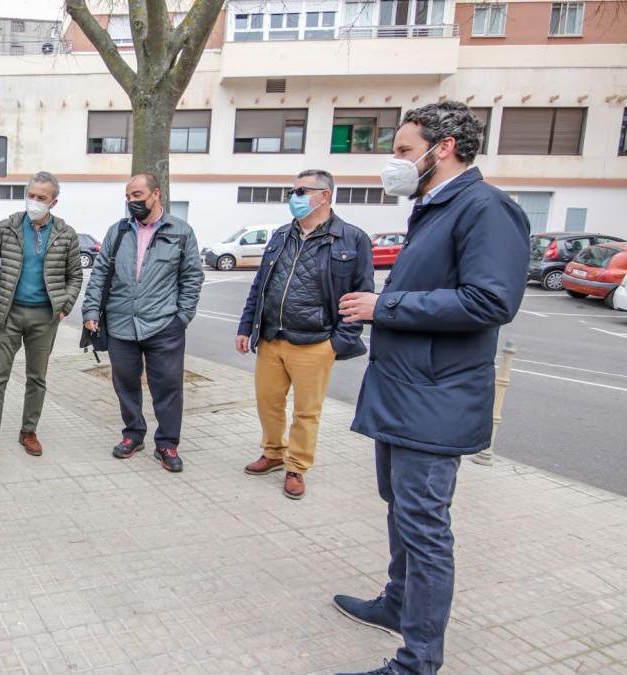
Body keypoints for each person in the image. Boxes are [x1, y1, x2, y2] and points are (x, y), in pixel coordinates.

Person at [332, 101, 530, 675]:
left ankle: (418, 661)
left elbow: (492, 301)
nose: (394, 162)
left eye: (401, 150)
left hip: (436, 401)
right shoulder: (435, 206)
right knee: (400, 510)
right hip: (405, 393)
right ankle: (397, 603)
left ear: (442, 148)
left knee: (424, 526)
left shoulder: (486, 207)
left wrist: (383, 305)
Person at [235, 169, 374, 499]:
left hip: (315, 342)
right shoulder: (281, 235)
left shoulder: (352, 239)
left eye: (300, 191)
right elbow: (260, 286)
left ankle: (296, 466)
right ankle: (272, 452)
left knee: (306, 411)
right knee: (268, 402)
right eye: (292, 191)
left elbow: (361, 294)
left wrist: (337, 343)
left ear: (324, 195)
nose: (292, 197)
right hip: (271, 337)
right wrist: (246, 326)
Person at [82, 173, 203, 473]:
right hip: (122, 323)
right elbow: (99, 274)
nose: (132, 201)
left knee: (168, 387)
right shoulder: (118, 232)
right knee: (124, 384)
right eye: (128, 197)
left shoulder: (181, 231)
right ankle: (133, 434)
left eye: (137, 195)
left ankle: (166, 444)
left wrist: (182, 317)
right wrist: (91, 312)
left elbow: (192, 277)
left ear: (156, 194)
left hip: (164, 326)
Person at [0, 171, 83, 461]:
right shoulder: (8, 227)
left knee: (37, 378)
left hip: (44, 317)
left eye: (41, 198)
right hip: (8, 314)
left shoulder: (65, 234)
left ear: (53, 202)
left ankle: (28, 431)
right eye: (30, 195)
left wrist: (64, 305)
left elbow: (75, 275)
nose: (33, 201)